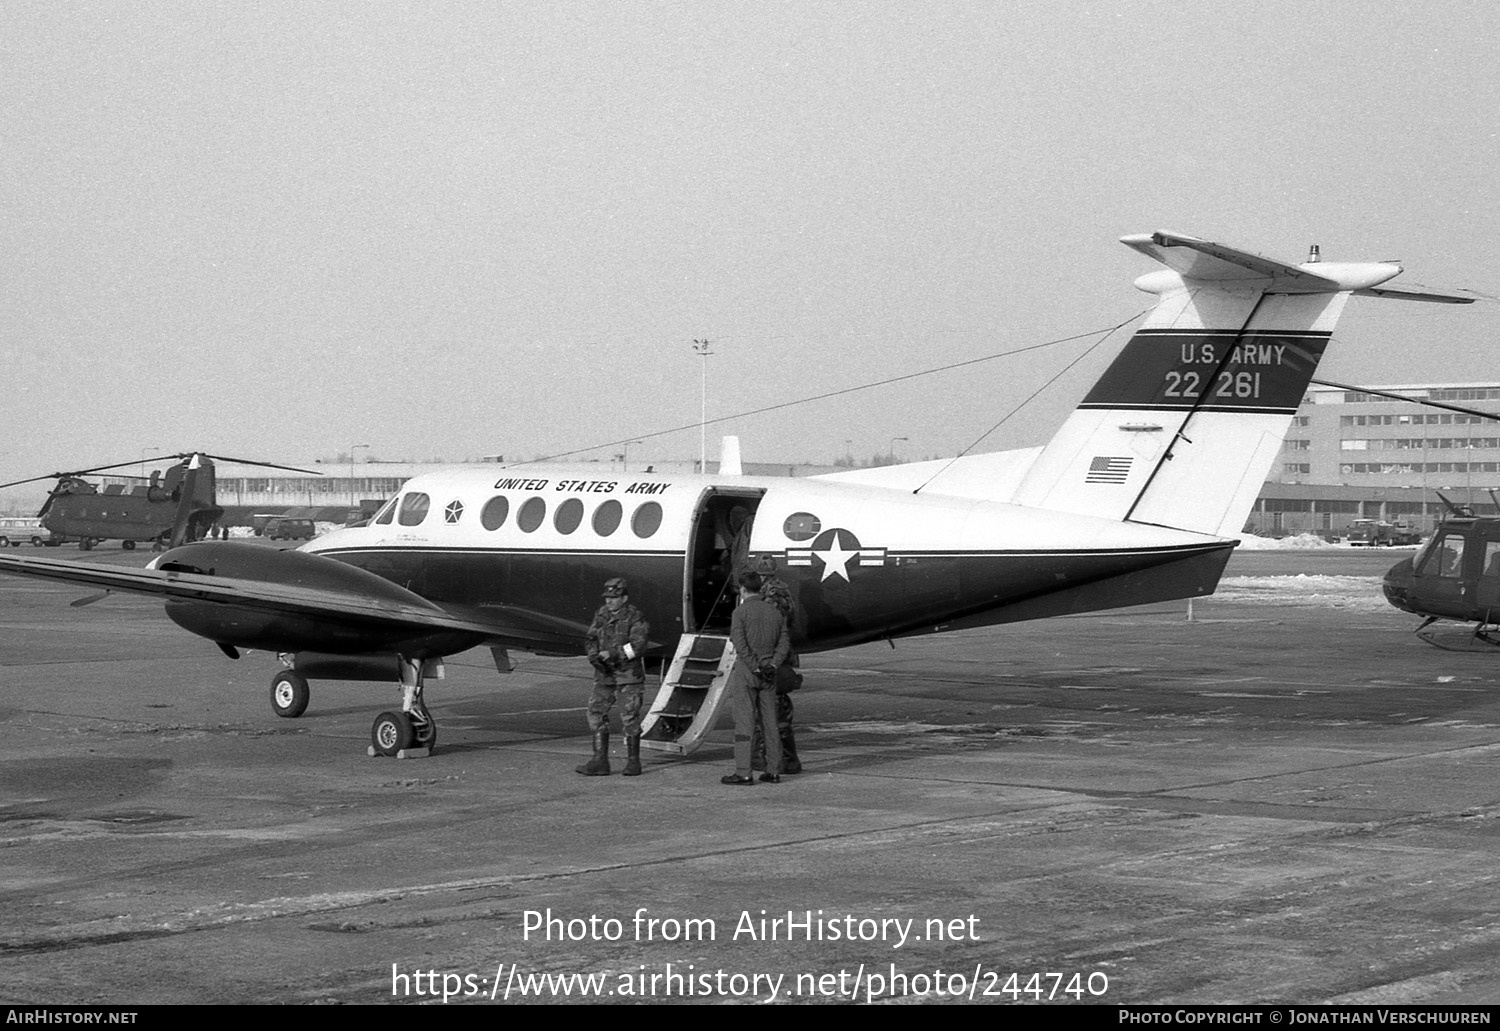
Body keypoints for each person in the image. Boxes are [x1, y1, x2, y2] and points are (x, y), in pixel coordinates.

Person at [578, 577, 650, 777]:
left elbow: (638, 645)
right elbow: (591, 637)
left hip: (628, 675)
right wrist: (593, 655)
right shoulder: (601, 614)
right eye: (607, 597)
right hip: (605, 674)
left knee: (629, 717)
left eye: (614, 597)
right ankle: (600, 760)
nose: (609, 601)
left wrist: (614, 653)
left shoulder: (635, 617)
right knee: (595, 712)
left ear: (624, 598)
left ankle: (633, 762)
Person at [723, 570, 789, 785]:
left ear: (743, 589)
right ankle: (774, 770)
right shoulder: (775, 613)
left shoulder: (739, 613)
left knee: (744, 723)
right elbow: (784, 644)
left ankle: (744, 771)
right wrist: (772, 664)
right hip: (770, 674)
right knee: (770, 722)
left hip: (747, 673)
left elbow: (739, 643)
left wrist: (755, 666)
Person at [751, 554, 802, 775]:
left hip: (772, 657)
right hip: (778, 657)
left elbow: (769, 628)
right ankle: (786, 760)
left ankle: (770, 759)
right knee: (777, 710)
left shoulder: (772, 596)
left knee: (771, 709)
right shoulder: (781, 592)